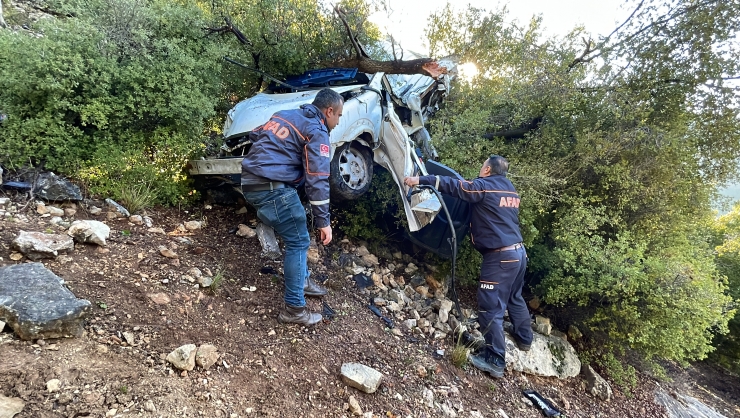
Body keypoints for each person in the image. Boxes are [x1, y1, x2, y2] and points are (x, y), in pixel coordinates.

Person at [404, 155, 532, 378]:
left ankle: (495, 359)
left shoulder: (485, 186)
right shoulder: (509, 189)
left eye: (482, 165)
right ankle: (524, 337)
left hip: (500, 257)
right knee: (514, 296)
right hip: (519, 254)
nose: (480, 168)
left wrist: (422, 180)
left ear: (488, 170)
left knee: (490, 304)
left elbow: (457, 186)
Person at [241, 88, 344, 326]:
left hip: (250, 182)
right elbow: (318, 178)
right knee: (298, 242)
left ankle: (302, 280)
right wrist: (324, 222)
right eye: (338, 116)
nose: (338, 122)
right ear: (329, 111)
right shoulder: (317, 130)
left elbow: (255, 136)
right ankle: (295, 309)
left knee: (295, 231)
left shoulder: (283, 115)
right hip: (272, 188)